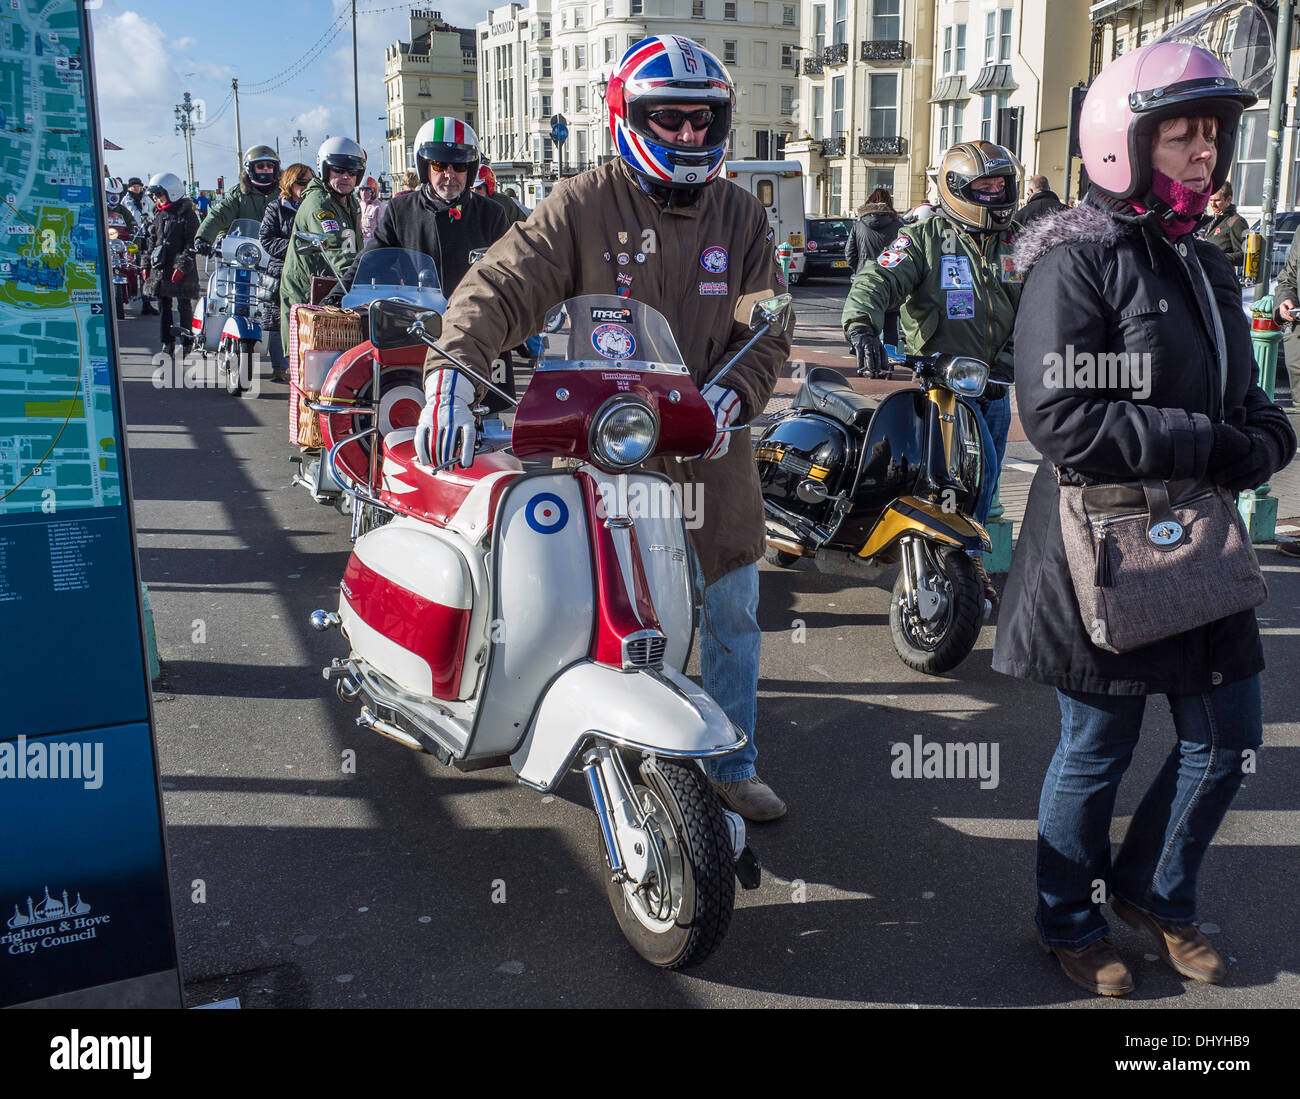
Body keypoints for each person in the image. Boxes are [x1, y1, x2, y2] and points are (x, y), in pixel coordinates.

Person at [414, 35, 792, 820]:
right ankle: (612, 746)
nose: (690, 135)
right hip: (607, 445)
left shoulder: (743, 213)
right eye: (669, 119)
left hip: (712, 444)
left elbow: (769, 328)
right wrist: (452, 365)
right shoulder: (581, 203)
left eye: (705, 120)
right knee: (602, 607)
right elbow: (501, 284)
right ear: (627, 116)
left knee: (730, 609)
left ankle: (732, 760)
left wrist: (737, 393)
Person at [993, 41, 1296, 997]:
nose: (1204, 154)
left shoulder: (1206, 264)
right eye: (1181, 136)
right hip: (1103, 550)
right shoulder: (1074, 263)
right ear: (1124, 144)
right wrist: (1207, 445)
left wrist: (1265, 441)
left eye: (1213, 135)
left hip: (1199, 547)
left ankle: (1158, 896)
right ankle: (1070, 918)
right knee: (1098, 749)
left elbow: (1251, 403)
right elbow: (1063, 417)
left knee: (1228, 737)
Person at [841, 140, 1023, 605]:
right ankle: (939, 555)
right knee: (939, 478)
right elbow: (876, 279)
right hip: (941, 383)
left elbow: (1047, 305)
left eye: (1001, 184)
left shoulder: (1023, 242)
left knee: (987, 477)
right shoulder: (923, 237)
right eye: (984, 186)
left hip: (998, 382)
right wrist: (861, 325)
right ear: (957, 188)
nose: (995, 194)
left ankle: (968, 560)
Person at [279, 137, 366, 343]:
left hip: (333, 290)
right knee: (310, 364)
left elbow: (353, 246)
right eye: (338, 170)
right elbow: (335, 248)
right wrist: (362, 283)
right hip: (309, 295)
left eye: (352, 171)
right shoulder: (320, 203)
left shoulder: (349, 202)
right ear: (325, 170)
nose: (346, 176)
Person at [259, 162, 314, 384]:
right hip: (280, 270)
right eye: (302, 182)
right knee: (276, 318)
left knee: (306, 319)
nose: (307, 186)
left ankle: (302, 369)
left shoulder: (316, 206)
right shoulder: (276, 207)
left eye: (311, 182)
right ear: (290, 184)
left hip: (308, 272)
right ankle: (279, 368)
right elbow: (266, 239)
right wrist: (296, 247)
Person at [140, 171, 199, 355]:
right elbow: (152, 241)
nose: (157, 199)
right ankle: (167, 341)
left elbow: (192, 244)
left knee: (184, 305)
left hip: (181, 269)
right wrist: (146, 264)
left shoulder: (188, 215)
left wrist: (181, 265)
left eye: (160, 194)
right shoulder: (158, 213)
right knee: (164, 306)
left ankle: (187, 340)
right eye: (155, 196)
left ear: (172, 191)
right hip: (161, 268)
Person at [194, 145, 281, 257]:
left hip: (277, 254)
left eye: (270, 165)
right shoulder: (240, 195)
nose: (265, 168)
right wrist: (203, 238)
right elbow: (219, 215)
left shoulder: (284, 193)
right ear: (250, 169)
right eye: (260, 166)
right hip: (246, 253)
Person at [123, 177, 158, 315]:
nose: (136, 188)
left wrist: (149, 218)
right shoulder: (125, 201)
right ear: (129, 188)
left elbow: (154, 211)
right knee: (132, 268)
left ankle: (147, 302)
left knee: (146, 270)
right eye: (133, 186)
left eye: (138, 186)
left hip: (147, 236)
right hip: (133, 238)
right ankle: (126, 296)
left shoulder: (146, 199)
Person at [1197, 180, 1248, 267]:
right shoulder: (1212, 220)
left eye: (1217, 200)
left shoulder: (1236, 221)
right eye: (1210, 200)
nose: (1212, 204)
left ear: (1229, 199)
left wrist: (1215, 255)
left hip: (1222, 275)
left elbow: (1243, 256)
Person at [358, 176, 386, 247]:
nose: (364, 193)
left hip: (373, 245)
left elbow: (383, 230)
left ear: (373, 191)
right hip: (359, 244)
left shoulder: (379, 207)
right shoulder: (358, 205)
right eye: (362, 190)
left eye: (367, 190)